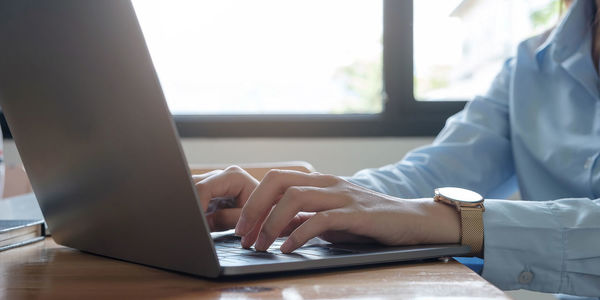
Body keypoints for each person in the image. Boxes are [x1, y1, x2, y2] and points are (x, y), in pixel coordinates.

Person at [193, 0, 599, 298]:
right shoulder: (532, 63)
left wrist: (445, 220)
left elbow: (422, 207)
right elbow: (433, 172)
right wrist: (305, 199)